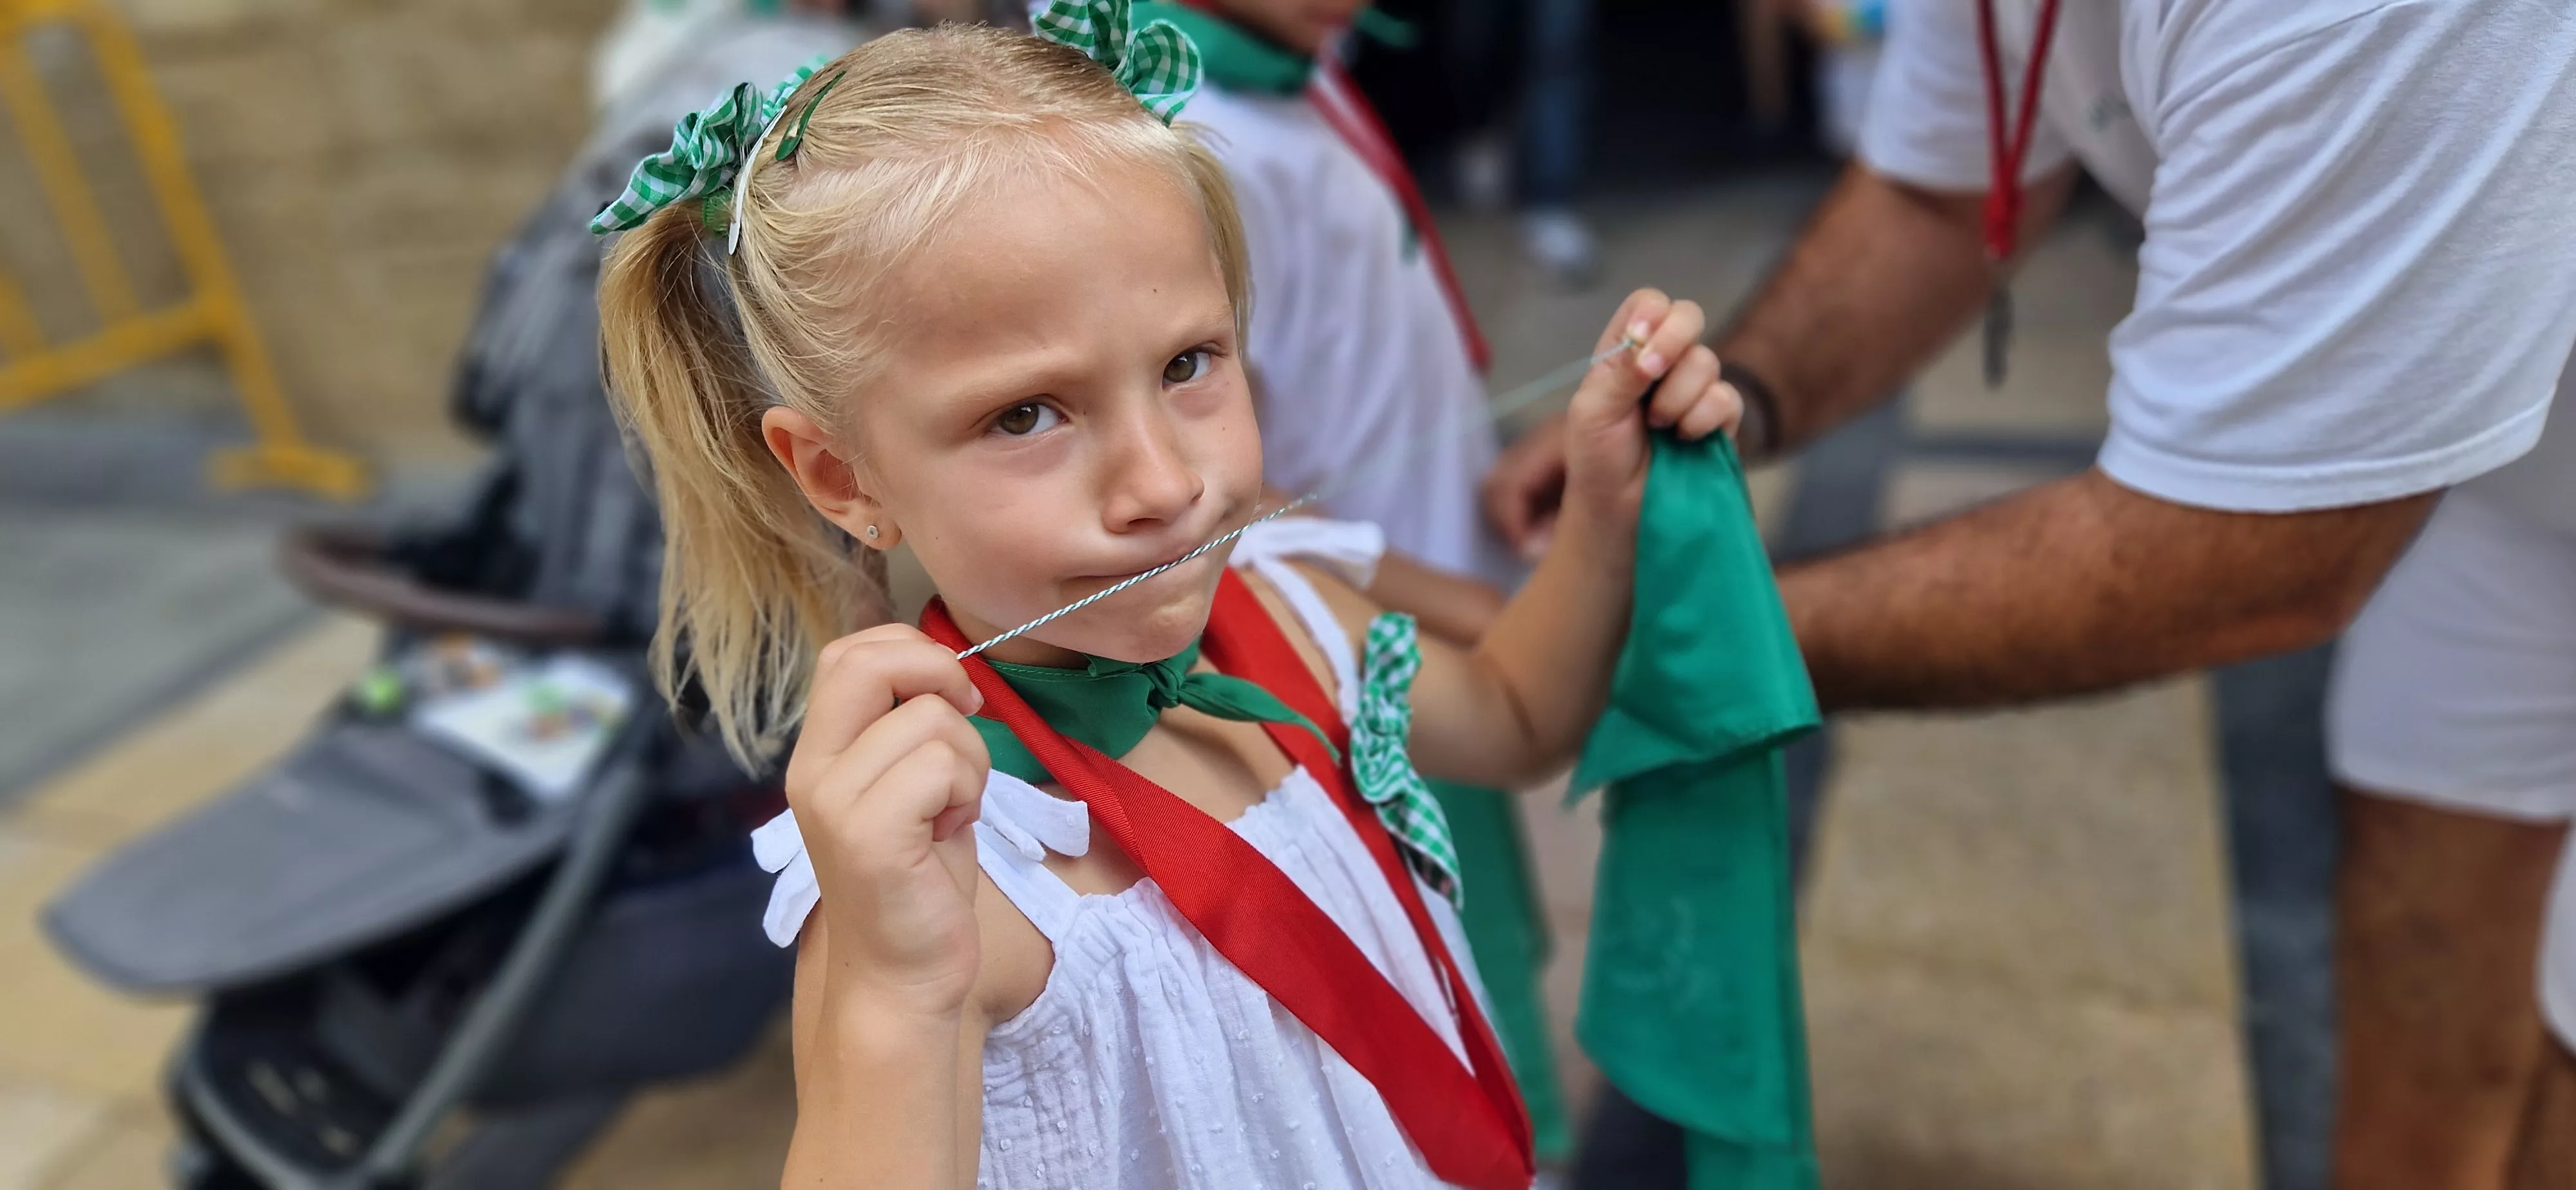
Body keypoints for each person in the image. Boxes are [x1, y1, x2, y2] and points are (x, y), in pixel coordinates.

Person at [590, 11, 1741, 1189]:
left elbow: (1515, 714)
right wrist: (898, 995)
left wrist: (1609, 504)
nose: (1166, 485)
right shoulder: (934, 880)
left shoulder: (1291, 612)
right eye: (1025, 414)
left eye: (1190, 364)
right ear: (844, 476)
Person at [1479, 0, 2576, 1185]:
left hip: (2476, 449)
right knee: (2428, 933)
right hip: (2509, 475)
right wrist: (1720, 405)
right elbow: (1933, 200)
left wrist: (1710, 635)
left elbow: (2243, 550)